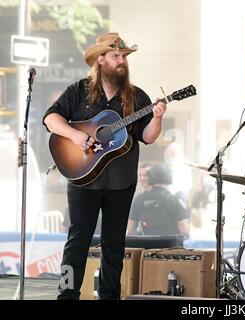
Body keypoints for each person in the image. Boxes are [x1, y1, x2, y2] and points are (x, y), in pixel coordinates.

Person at [43, 32, 167, 300]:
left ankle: (110, 295)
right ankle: (66, 294)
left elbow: (148, 137)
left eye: (124, 56)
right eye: (116, 56)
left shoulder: (137, 97)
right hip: (82, 179)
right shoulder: (79, 91)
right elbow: (51, 119)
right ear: (100, 59)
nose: (122, 61)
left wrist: (157, 118)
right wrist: (76, 136)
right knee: (77, 241)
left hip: (121, 181)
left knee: (114, 244)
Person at [127, 163, 190, 237]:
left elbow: (130, 229)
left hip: (146, 246)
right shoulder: (175, 199)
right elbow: (183, 227)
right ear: (168, 176)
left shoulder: (139, 199)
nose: (142, 178)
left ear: (151, 177)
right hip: (170, 246)